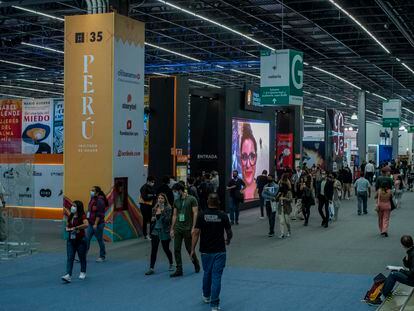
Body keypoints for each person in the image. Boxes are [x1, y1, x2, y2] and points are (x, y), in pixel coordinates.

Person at [191, 193, 232, 311]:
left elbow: (196, 233)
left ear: (207, 202)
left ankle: (206, 296)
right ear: (218, 202)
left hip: (205, 251)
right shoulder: (223, 215)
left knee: (207, 273)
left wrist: (192, 249)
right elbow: (229, 232)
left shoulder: (201, 215)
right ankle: (214, 305)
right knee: (216, 277)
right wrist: (228, 240)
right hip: (220, 251)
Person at [170, 182, 200, 277]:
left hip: (188, 228)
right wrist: (172, 228)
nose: (174, 193)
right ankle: (179, 269)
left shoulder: (192, 199)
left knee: (189, 249)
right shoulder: (176, 201)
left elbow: (195, 213)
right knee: (176, 249)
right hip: (178, 228)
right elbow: (174, 215)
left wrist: (193, 227)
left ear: (180, 190)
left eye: (175, 191)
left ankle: (196, 263)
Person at [145, 193, 174, 275]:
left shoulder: (168, 208)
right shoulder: (154, 208)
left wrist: (161, 212)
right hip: (155, 230)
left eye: (162, 198)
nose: (160, 200)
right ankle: (151, 268)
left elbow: (167, 220)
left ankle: (171, 263)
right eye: (159, 198)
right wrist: (153, 218)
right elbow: (152, 220)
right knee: (154, 249)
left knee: (166, 249)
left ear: (165, 200)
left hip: (164, 230)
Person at [62, 200, 89, 283]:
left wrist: (77, 228)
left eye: (74, 206)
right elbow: (67, 225)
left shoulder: (82, 216)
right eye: (72, 206)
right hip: (71, 240)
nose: (72, 207)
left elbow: (86, 224)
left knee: (82, 257)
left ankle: (83, 271)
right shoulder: (71, 215)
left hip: (81, 240)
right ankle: (68, 275)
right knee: (70, 258)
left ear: (78, 207)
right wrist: (68, 228)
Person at [381, 235, 414, 300]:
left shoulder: (412, 253)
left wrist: (401, 270)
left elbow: (412, 273)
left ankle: (384, 295)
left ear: (403, 245)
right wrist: (406, 258)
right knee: (393, 272)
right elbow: (408, 265)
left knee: (393, 275)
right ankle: (385, 291)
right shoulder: (411, 251)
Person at [86, 186, 107, 262]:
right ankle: (83, 256)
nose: (91, 191)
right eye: (91, 190)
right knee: (86, 239)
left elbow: (100, 214)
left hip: (98, 224)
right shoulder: (92, 199)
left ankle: (102, 256)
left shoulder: (100, 201)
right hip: (90, 224)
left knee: (100, 240)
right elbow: (90, 210)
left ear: (97, 192)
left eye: (93, 190)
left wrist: (95, 224)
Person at [240, 123, 258, 200]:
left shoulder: (259, 191)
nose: (248, 165)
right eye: (244, 157)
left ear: (256, 158)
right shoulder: (238, 190)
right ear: (240, 158)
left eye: (252, 156)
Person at [277, 174, 293, 238]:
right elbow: (276, 198)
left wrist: (284, 198)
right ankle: (282, 233)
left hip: (287, 207)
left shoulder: (289, 192)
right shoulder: (279, 192)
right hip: (280, 207)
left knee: (287, 221)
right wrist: (277, 196)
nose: (281, 186)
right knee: (281, 221)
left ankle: (289, 231)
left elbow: (291, 200)